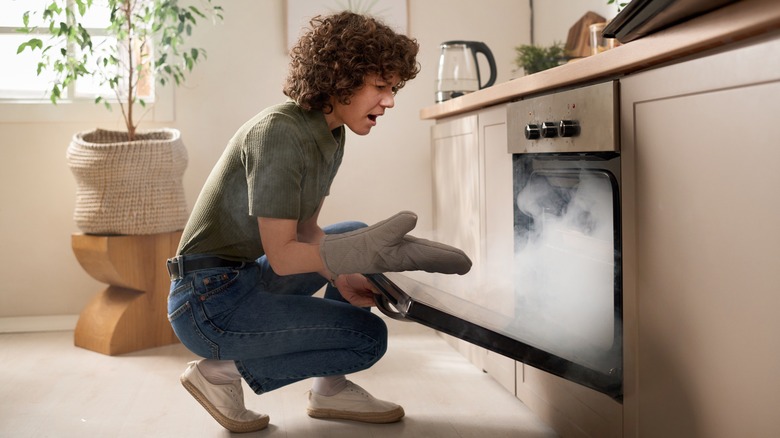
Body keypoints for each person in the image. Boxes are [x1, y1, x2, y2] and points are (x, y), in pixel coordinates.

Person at [166, 11, 472, 433]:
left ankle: (329, 389)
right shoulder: (279, 133)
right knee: (367, 338)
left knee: (349, 234)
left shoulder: (331, 134)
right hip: (205, 303)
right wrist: (352, 258)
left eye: (394, 88)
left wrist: (342, 275)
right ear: (338, 75)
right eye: (381, 86)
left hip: (241, 280)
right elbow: (285, 257)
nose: (391, 100)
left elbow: (308, 233)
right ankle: (218, 373)